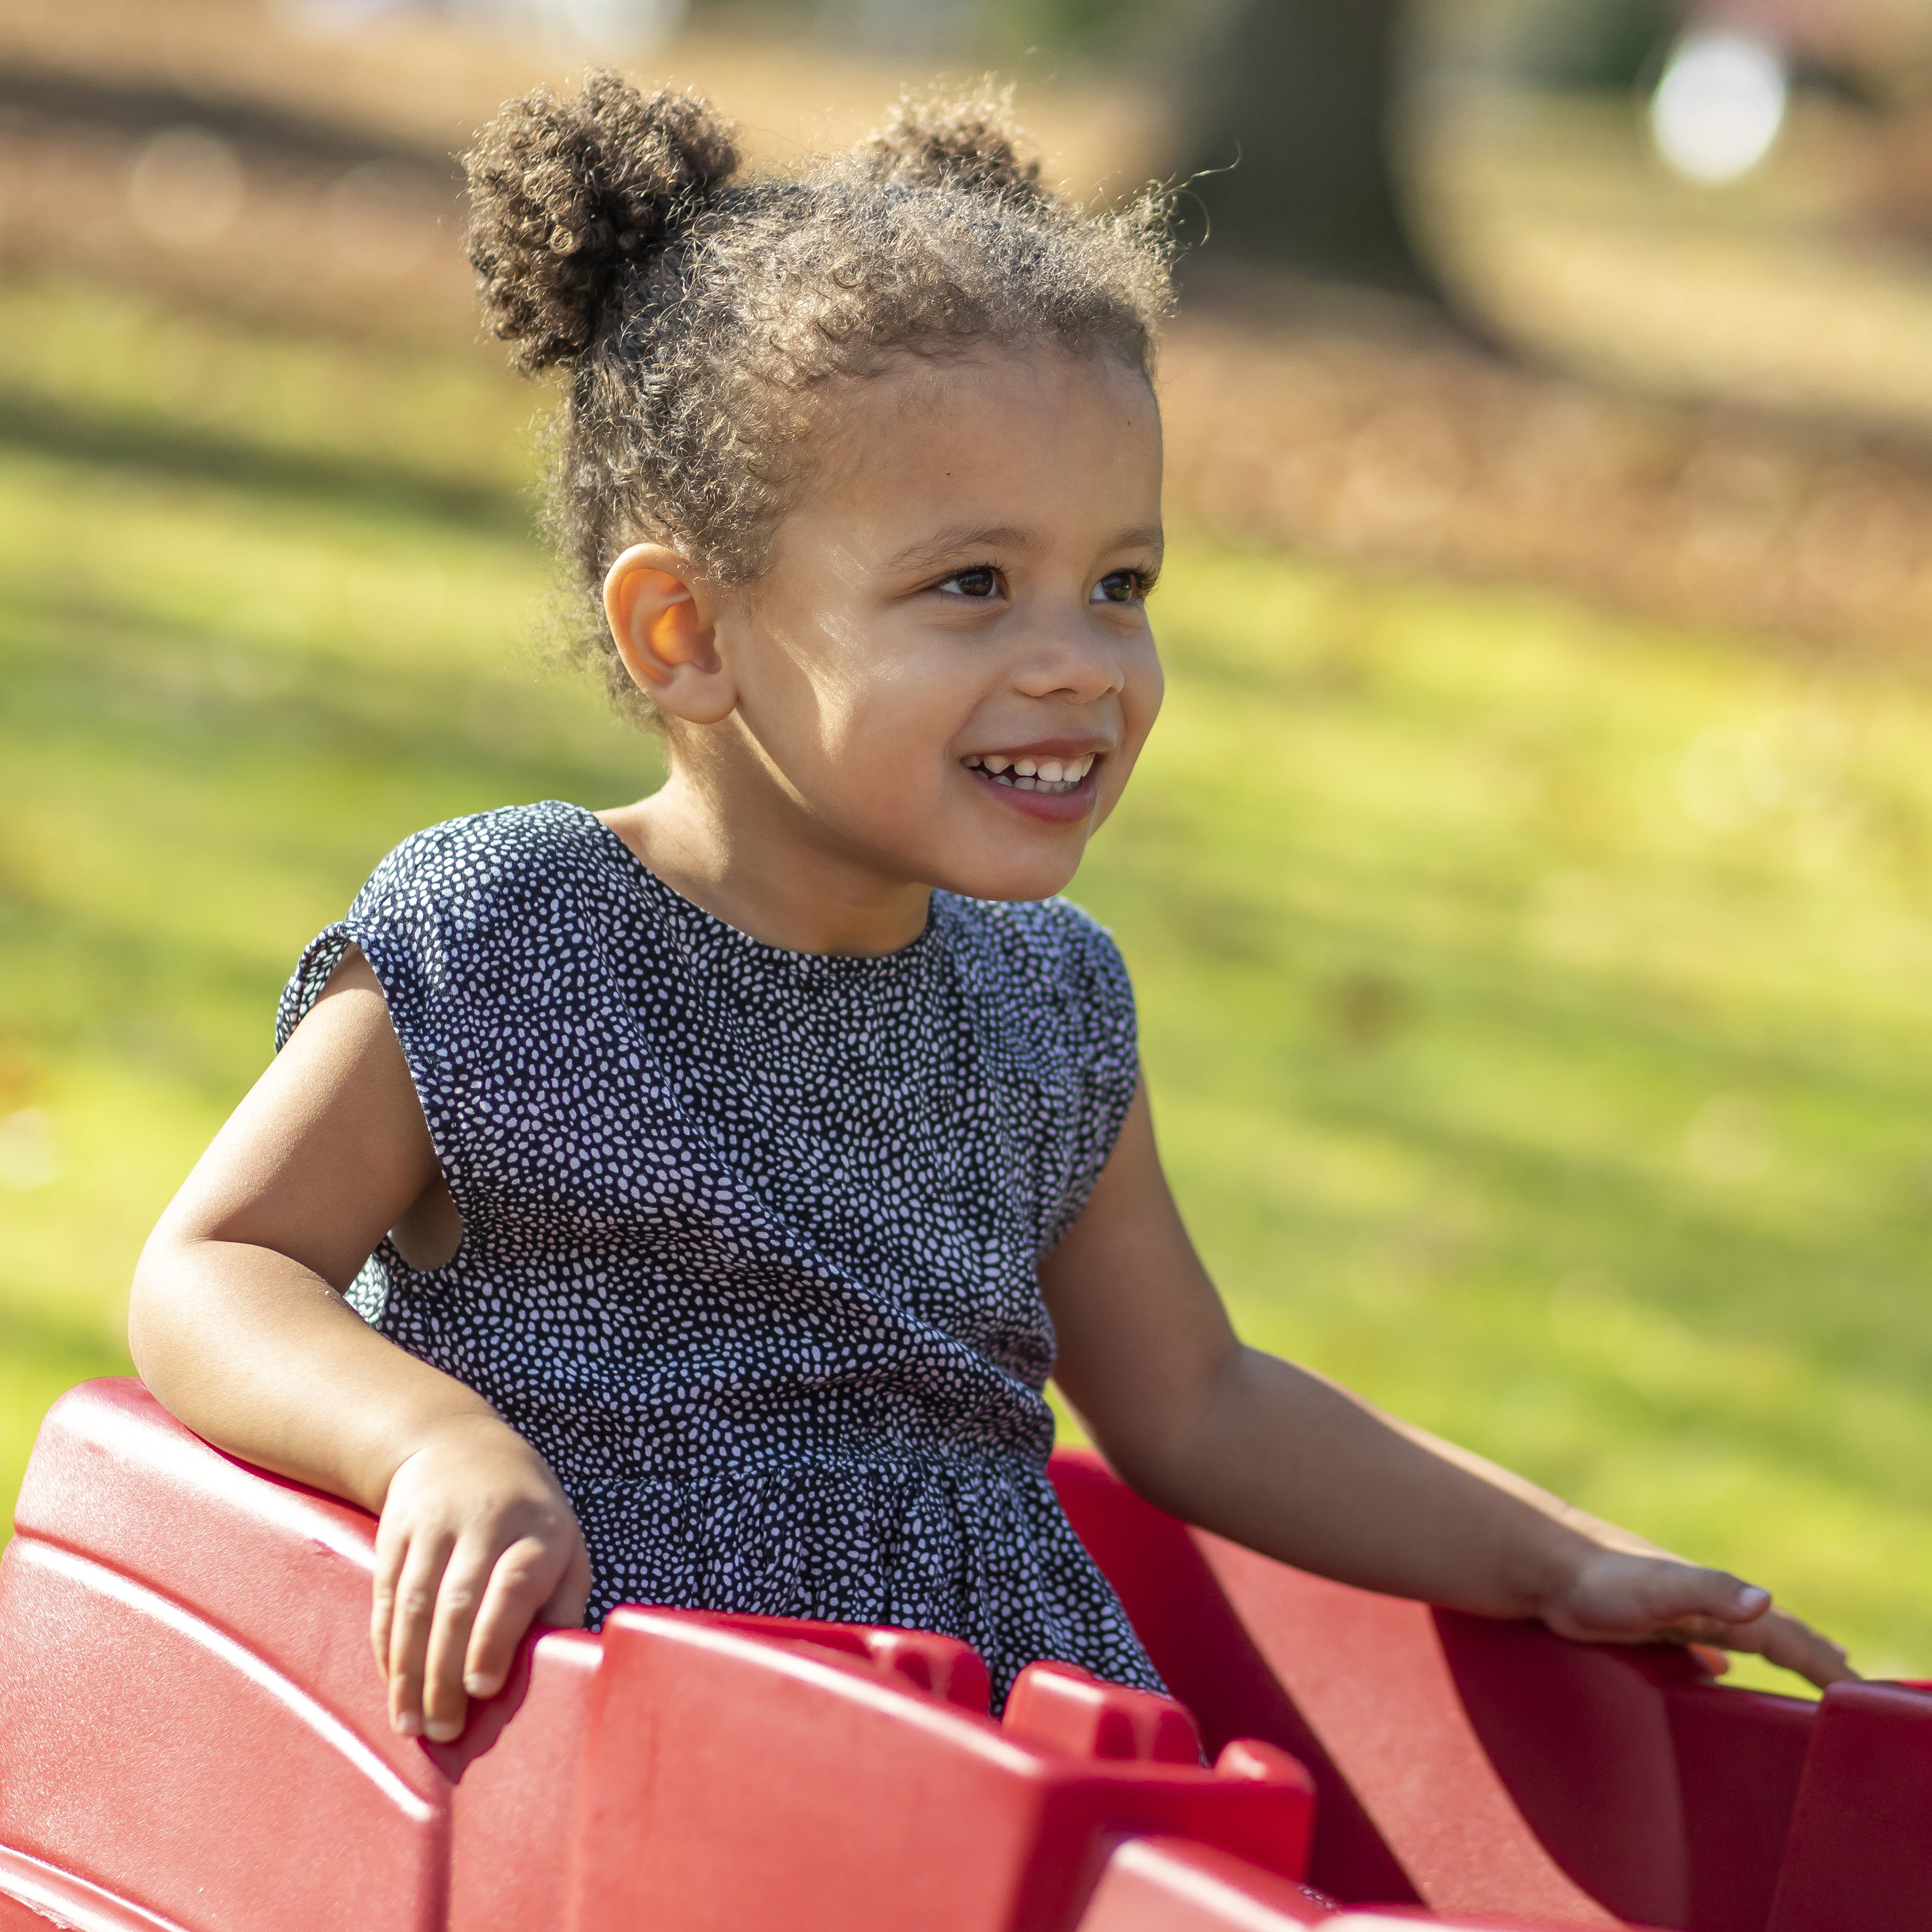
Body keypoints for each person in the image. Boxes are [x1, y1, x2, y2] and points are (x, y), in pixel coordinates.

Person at [127, 75, 1852, 1749]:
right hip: (611, 1738)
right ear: (687, 634)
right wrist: (430, 1442)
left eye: (1119, 583)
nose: (1079, 662)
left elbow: (1198, 1399)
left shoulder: (1047, 1003)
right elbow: (219, 1268)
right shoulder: (511, 936)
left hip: (985, 1749)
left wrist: (1552, 1557)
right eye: (972, 583)